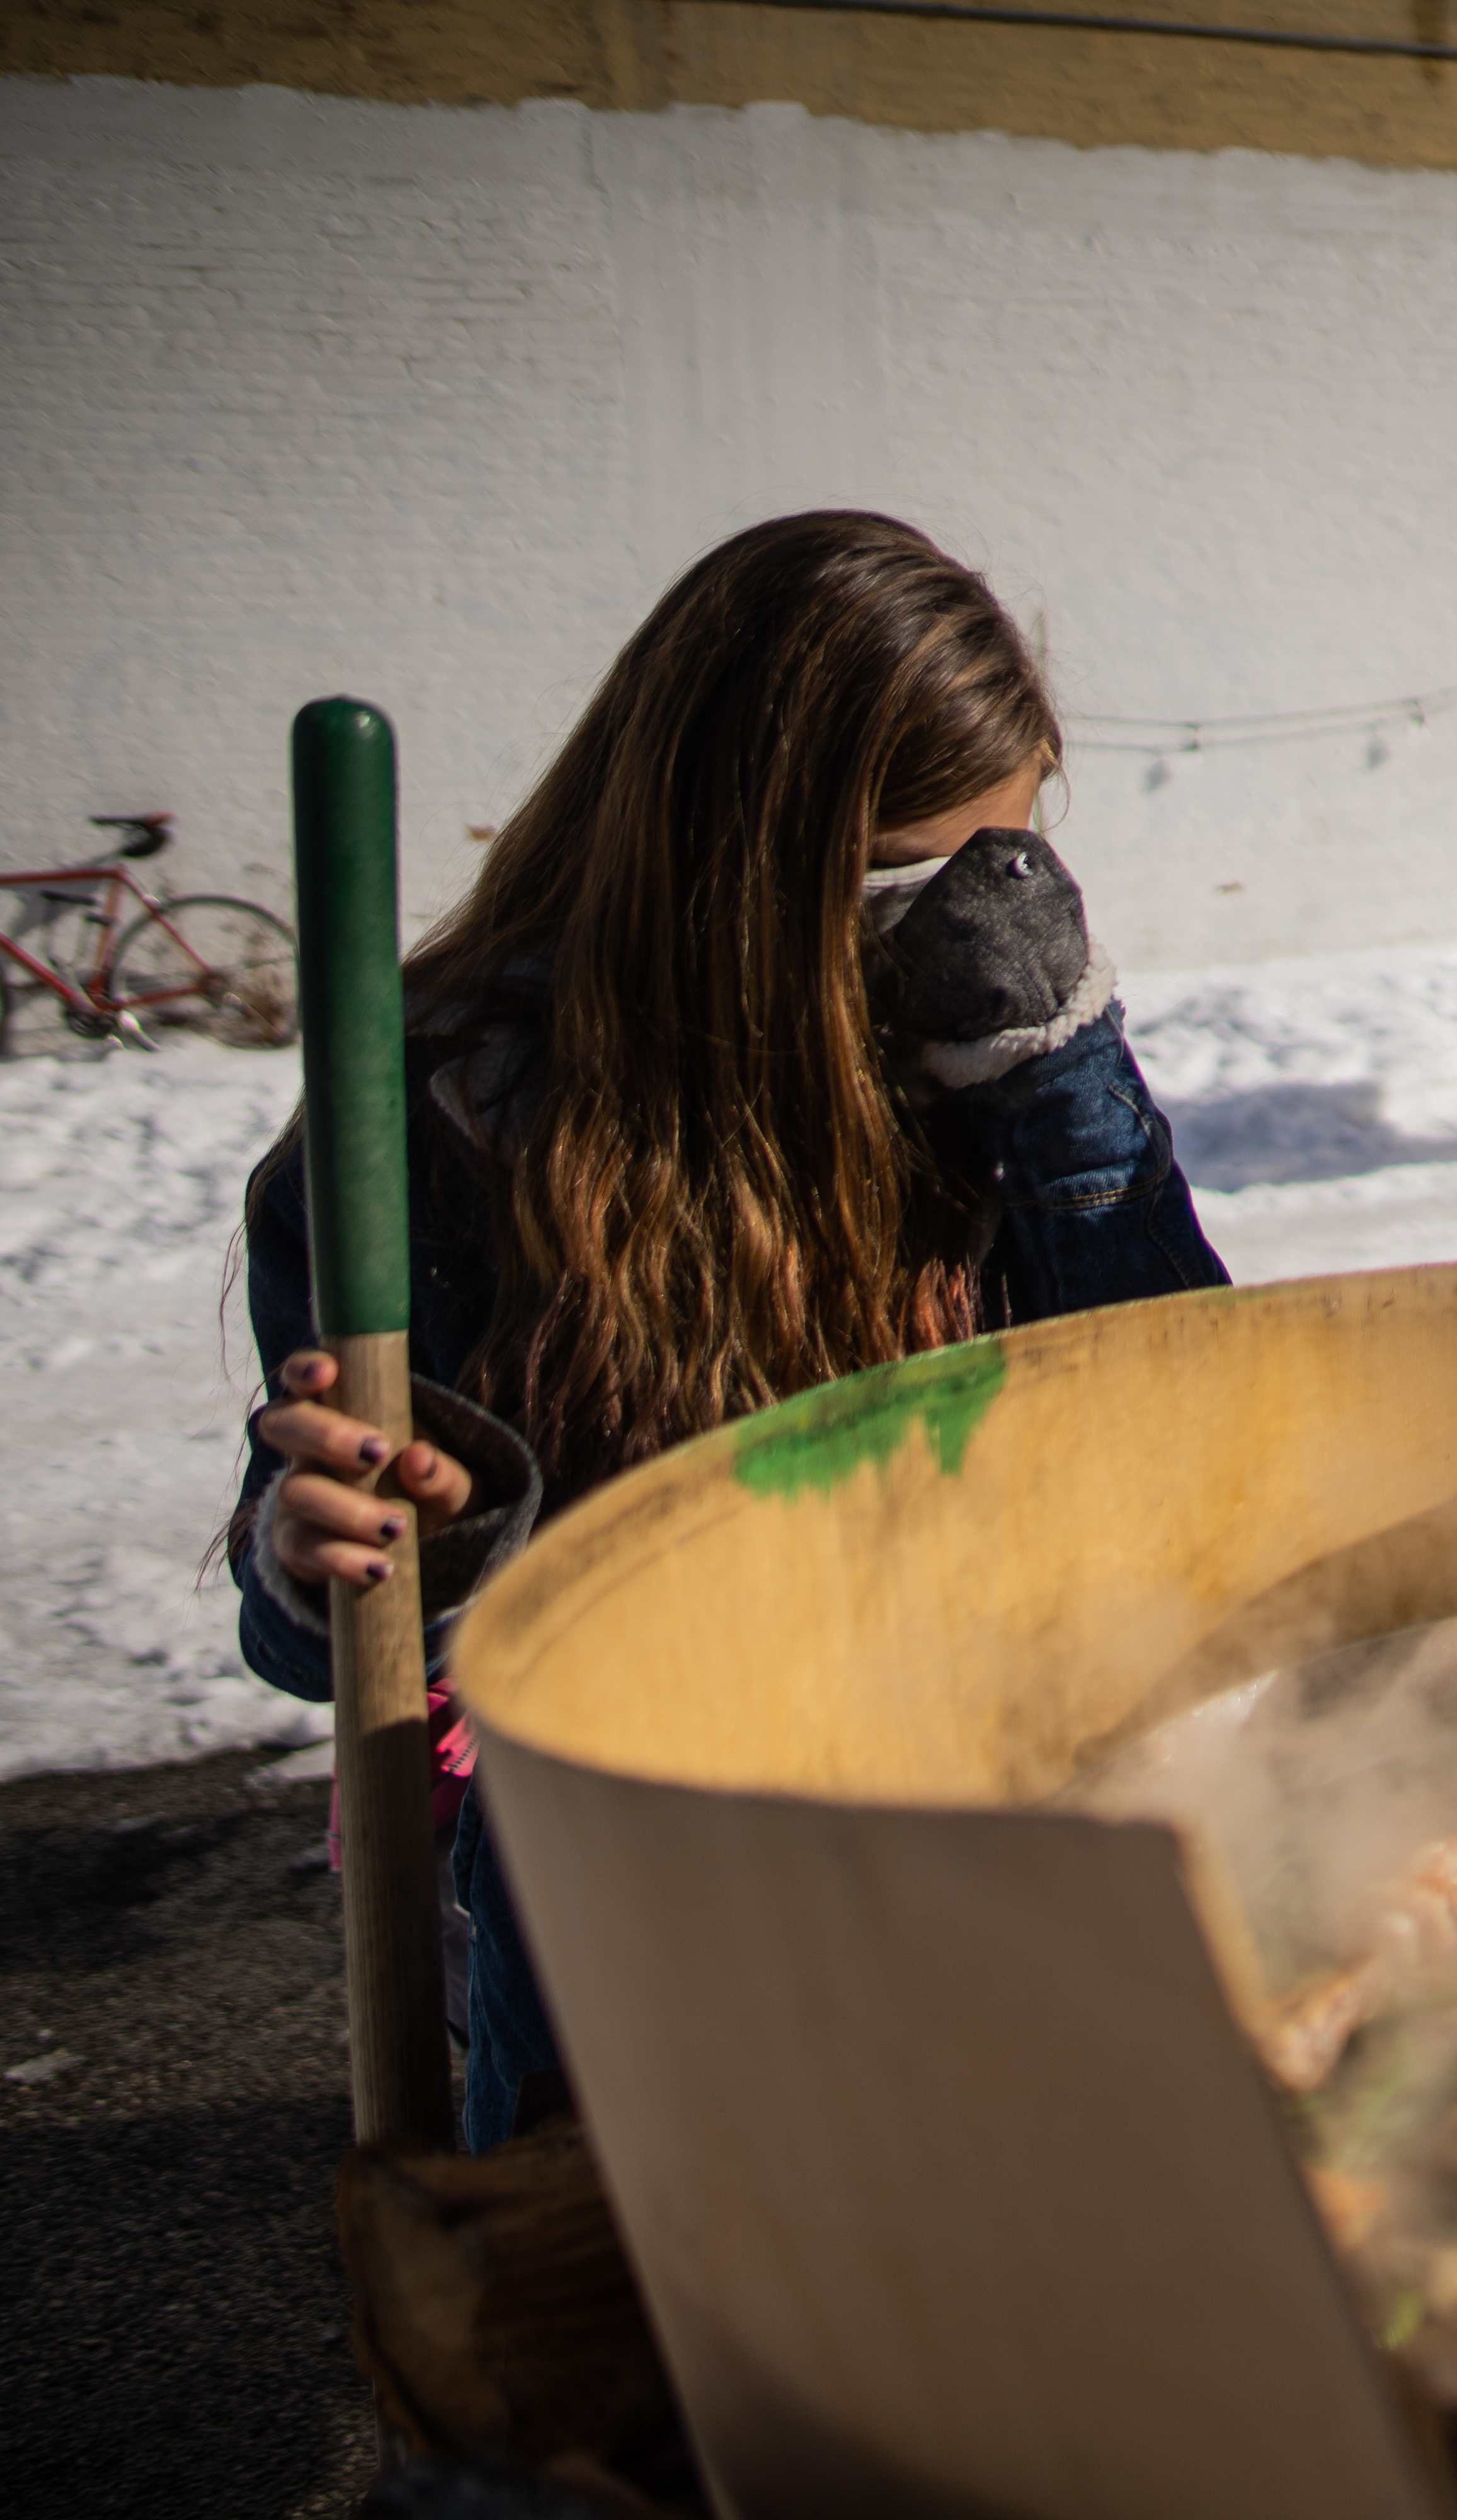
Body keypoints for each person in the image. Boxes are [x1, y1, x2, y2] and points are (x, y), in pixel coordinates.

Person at [228, 512, 1228, 2151]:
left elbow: (1189, 1433)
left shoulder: (976, 1067)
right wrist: (333, 1551)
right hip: (626, 1914)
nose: (984, 926)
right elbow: (325, 1640)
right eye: (922, 880)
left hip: (980, 1833)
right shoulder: (448, 1135)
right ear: (744, 873)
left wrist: (1068, 1090)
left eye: (1018, 858)